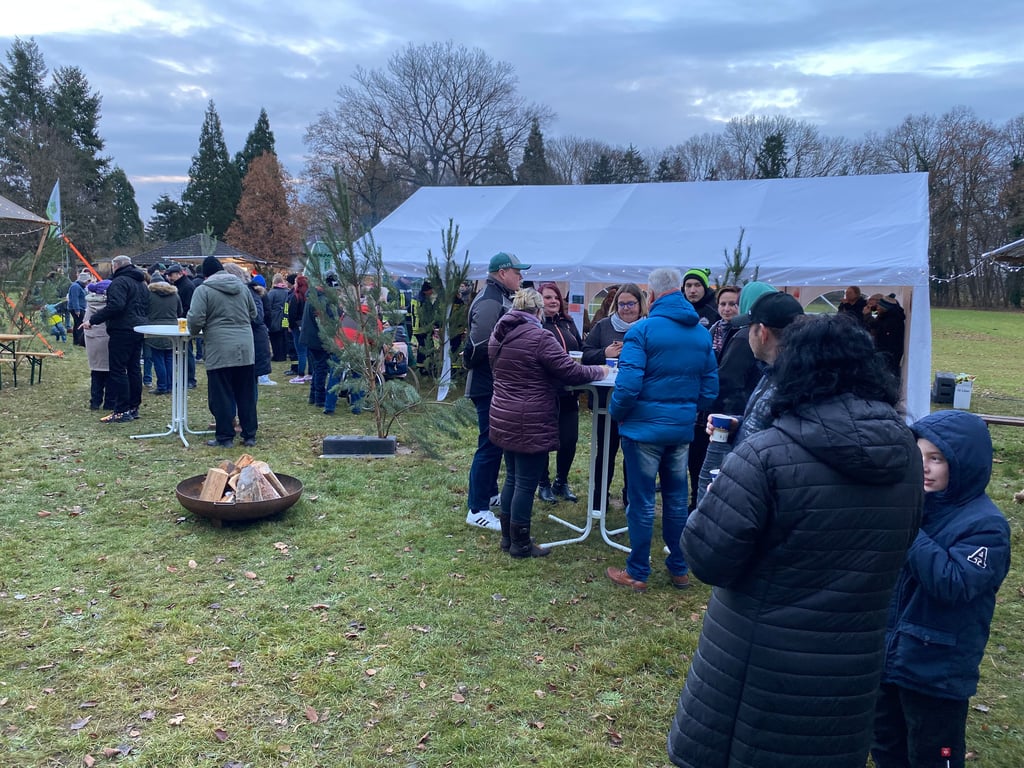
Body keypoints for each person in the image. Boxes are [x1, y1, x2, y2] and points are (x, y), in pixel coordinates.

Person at [668, 313, 924, 768]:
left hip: (759, 668)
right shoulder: (905, 454)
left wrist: (716, 497)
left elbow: (705, 557)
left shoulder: (767, 454)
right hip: (850, 666)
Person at [871, 410, 1011, 768]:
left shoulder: (986, 526)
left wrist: (909, 529)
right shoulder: (915, 505)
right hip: (890, 658)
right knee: (887, 745)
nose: (926, 468)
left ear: (963, 463)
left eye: (937, 459)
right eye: (919, 458)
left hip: (938, 669)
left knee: (935, 753)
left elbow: (953, 582)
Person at [605, 268, 718, 592]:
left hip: (643, 432)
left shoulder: (641, 332)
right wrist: (686, 409)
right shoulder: (700, 333)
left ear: (650, 295)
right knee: (676, 499)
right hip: (680, 430)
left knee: (641, 503)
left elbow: (626, 388)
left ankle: (638, 571)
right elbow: (710, 388)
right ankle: (679, 568)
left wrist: (619, 415)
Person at [488, 287, 608, 557]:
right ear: (538, 311)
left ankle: (508, 539)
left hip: (503, 413)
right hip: (530, 416)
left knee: (512, 478)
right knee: (526, 483)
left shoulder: (499, 334)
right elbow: (571, 371)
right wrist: (600, 369)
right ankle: (520, 543)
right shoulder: (540, 336)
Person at [693, 284, 802, 507]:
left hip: (760, 493)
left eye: (748, 327)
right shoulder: (778, 372)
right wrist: (738, 425)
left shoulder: (788, 381)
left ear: (762, 333)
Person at [463, 252, 529, 531]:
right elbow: (478, 348)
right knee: (489, 445)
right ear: (502, 273)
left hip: (495, 382)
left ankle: (489, 494)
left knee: (495, 442)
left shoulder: (498, 296)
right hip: (487, 383)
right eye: (517, 272)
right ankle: (476, 509)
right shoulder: (491, 300)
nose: (521, 277)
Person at [581, 283, 647, 511]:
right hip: (605, 401)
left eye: (631, 303)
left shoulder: (647, 327)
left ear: (640, 305)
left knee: (634, 453)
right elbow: (585, 354)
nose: (626, 308)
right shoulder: (603, 326)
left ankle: (631, 498)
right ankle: (600, 497)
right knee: (605, 451)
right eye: (622, 304)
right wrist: (604, 353)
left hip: (636, 402)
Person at [187, 256, 259, 448]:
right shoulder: (243, 288)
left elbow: (195, 319)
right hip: (245, 347)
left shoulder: (203, 290)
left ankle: (225, 437)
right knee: (246, 393)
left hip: (219, 348)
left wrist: (194, 333)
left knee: (222, 395)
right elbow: (254, 314)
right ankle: (249, 434)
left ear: (205, 274)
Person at [82, 254, 149, 423]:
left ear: (115, 266)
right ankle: (134, 407)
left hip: (122, 329)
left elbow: (116, 306)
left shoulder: (119, 282)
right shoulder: (141, 283)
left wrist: (93, 320)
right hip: (138, 328)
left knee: (118, 370)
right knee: (134, 369)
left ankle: (121, 410)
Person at [536, 282, 585, 503]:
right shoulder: (537, 325)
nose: (553, 301)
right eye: (547, 298)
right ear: (539, 301)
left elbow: (580, 349)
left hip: (569, 392)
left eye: (556, 297)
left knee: (569, 439)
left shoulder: (568, 322)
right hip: (546, 392)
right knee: (544, 440)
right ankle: (543, 483)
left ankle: (561, 481)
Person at [144, 275, 182, 395]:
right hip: (172, 329)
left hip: (155, 329)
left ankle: (162, 386)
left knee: (158, 358)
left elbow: (145, 310)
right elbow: (180, 311)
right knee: (169, 358)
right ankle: (171, 385)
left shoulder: (150, 295)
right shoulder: (175, 295)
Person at [163, 264, 197, 389]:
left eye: (171, 275)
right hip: (181, 320)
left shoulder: (186, 286)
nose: (169, 277)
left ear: (179, 273)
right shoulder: (180, 285)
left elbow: (187, 306)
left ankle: (190, 379)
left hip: (184, 321)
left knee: (186, 350)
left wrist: (180, 316)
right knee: (182, 350)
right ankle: (185, 377)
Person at [83, 279, 113, 411]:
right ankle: (109, 402)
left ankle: (95, 402)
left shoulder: (90, 303)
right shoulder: (112, 305)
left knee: (96, 372)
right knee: (111, 372)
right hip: (109, 338)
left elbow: (85, 322)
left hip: (93, 339)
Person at [864, 292, 906, 379]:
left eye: (878, 306)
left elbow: (876, 327)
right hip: (883, 350)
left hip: (889, 352)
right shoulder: (885, 315)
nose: (876, 307)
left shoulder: (892, 319)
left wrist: (867, 315)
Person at [411, 280, 438, 373]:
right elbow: (427, 315)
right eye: (431, 290)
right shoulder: (424, 300)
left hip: (417, 327)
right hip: (422, 328)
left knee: (422, 347)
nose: (432, 292)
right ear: (426, 290)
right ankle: (423, 368)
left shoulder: (416, 298)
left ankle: (422, 366)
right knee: (425, 347)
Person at [288, 274, 311, 383]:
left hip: (297, 327)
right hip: (308, 326)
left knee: (301, 352)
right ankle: (310, 373)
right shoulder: (310, 296)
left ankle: (300, 374)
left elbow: (290, 314)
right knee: (309, 352)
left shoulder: (295, 297)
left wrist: (290, 326)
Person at [265, 273, 290, 363]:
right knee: (284, 336)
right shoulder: (287, 291)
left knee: (275, 337)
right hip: (285, 317)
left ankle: (277, 355)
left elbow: (268, 306)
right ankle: (284, 354)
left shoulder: (272, 293)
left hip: (275, 318)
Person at [68, 270, 91, 346]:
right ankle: (80, 341)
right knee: (80, 324)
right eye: (88, 280)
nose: (88, 282)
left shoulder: (80, 287)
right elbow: (75, 299)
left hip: (80, 308)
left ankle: (76, 341)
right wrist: (77, 310)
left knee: (77, 324)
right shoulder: (76, 287)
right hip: (77, 308)